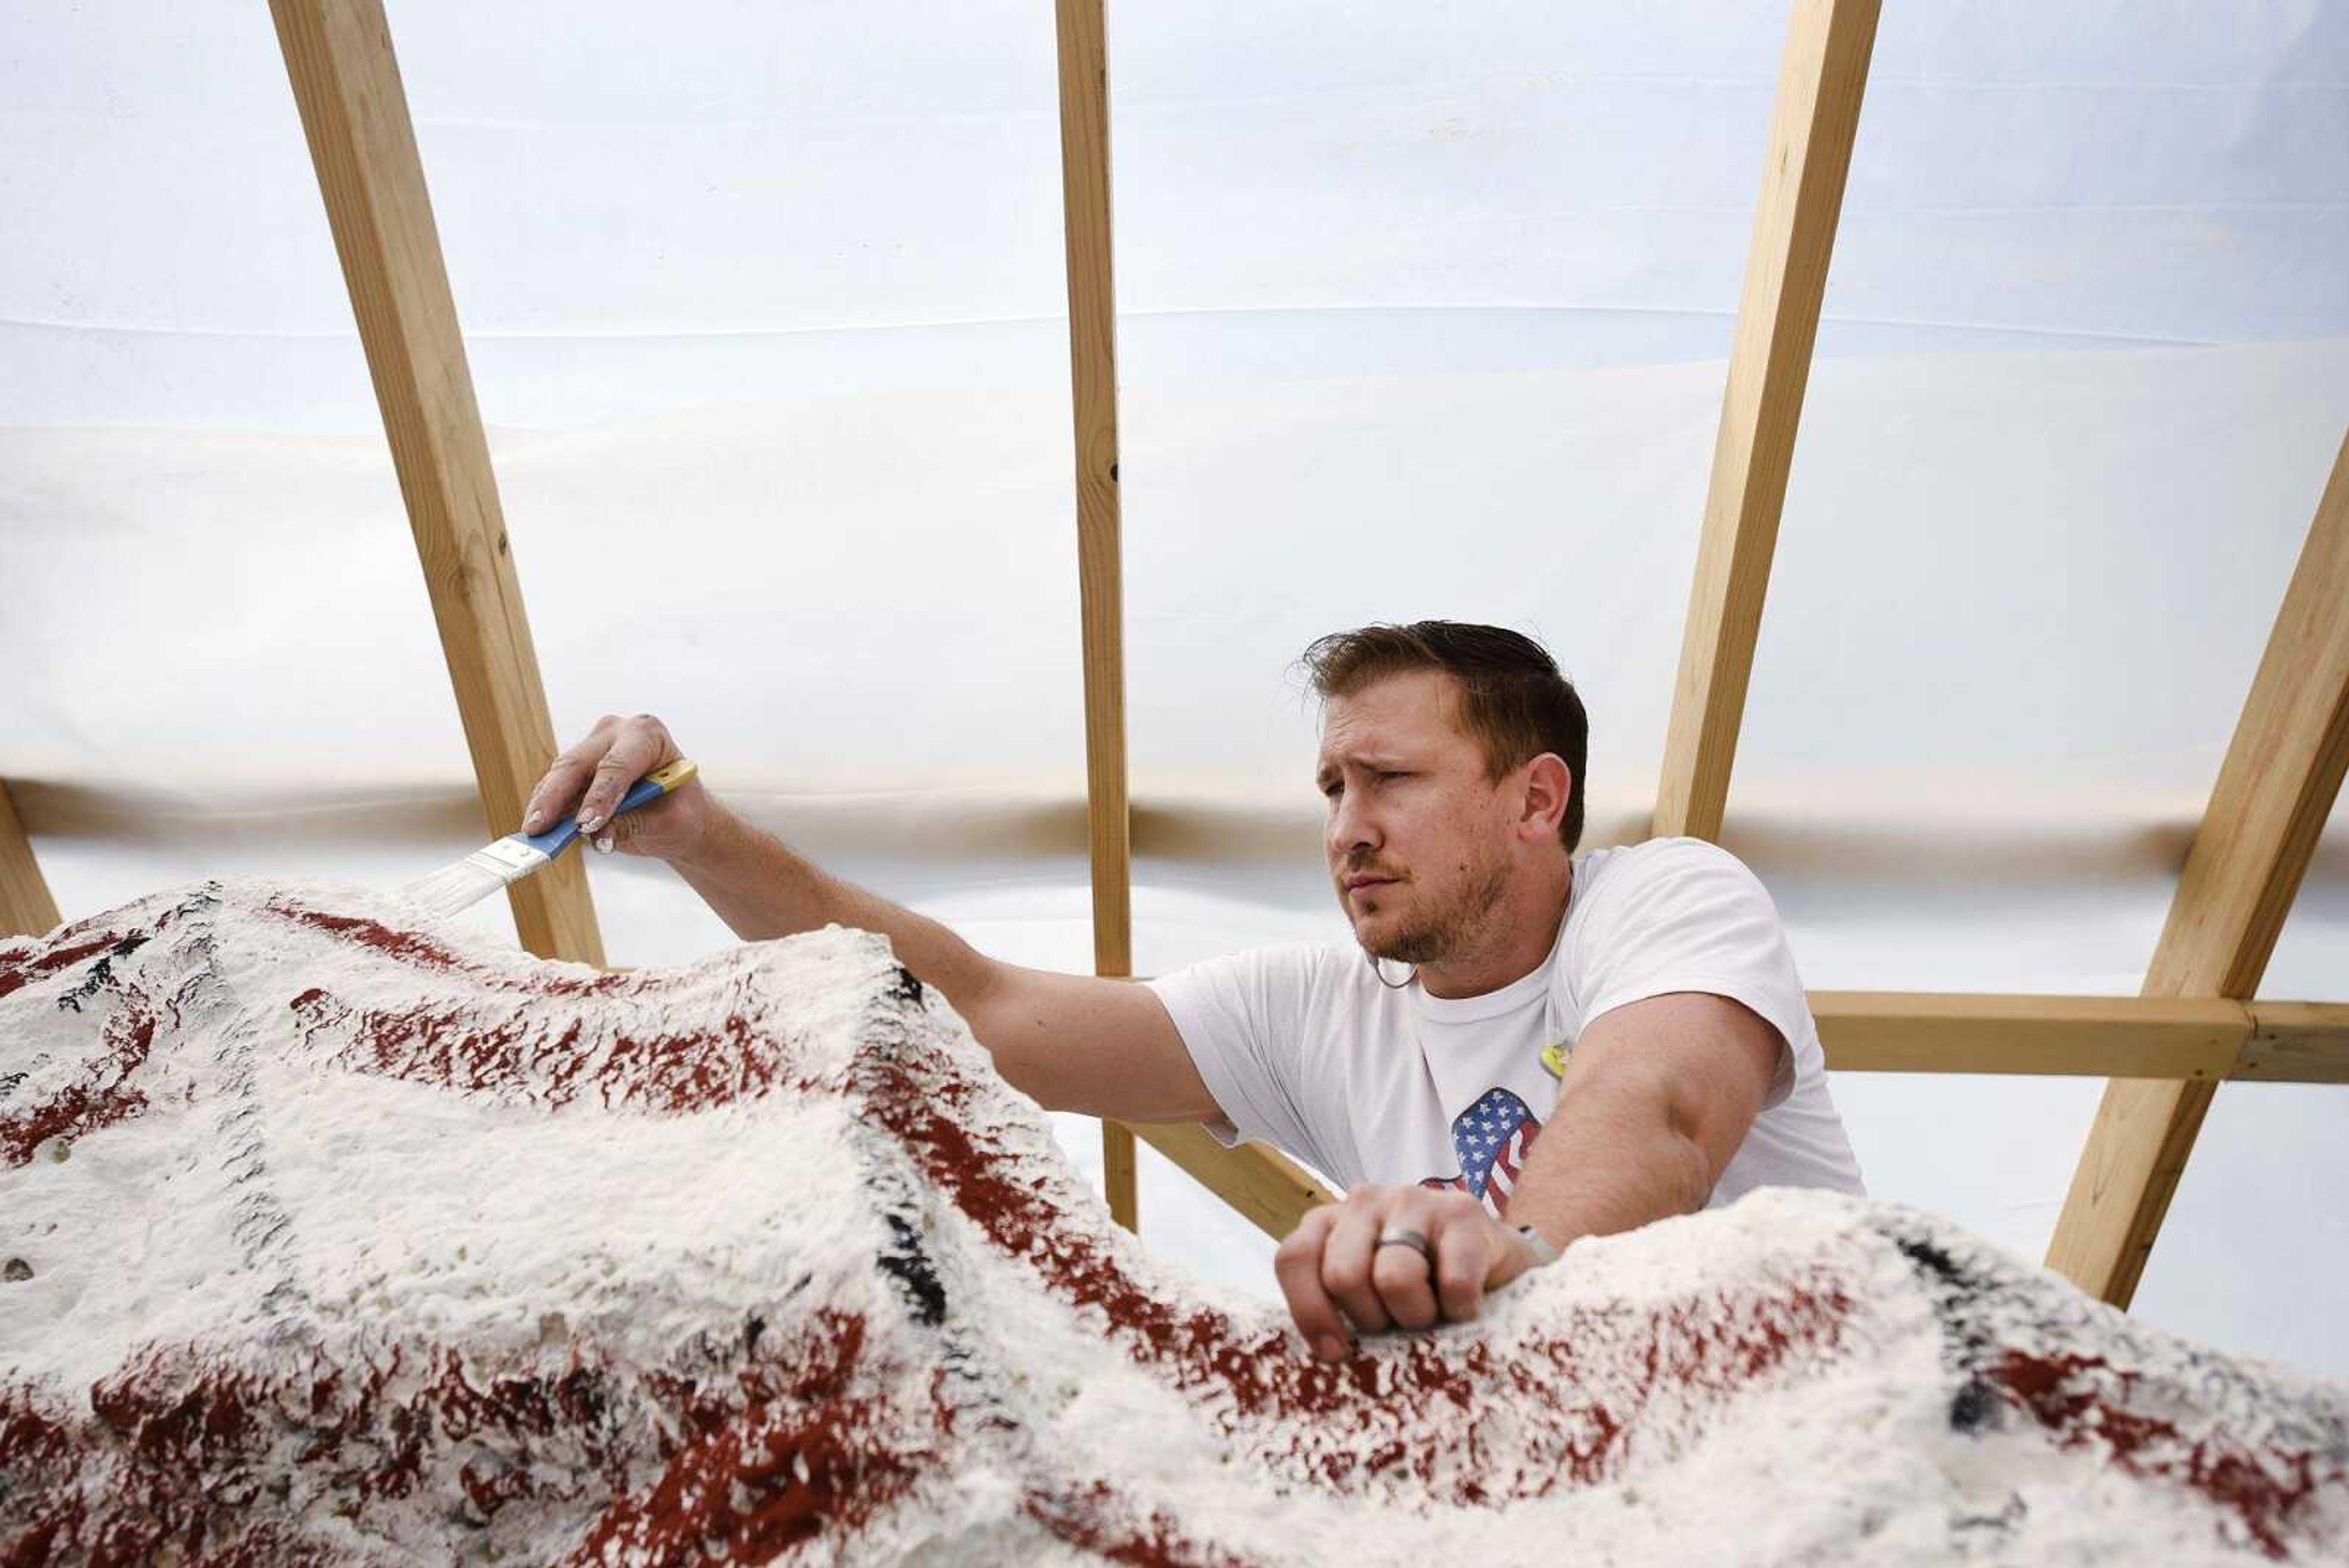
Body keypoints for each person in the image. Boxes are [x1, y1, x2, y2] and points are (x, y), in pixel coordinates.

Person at [522, 621, 1864, 1363]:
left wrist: (1516, 1267)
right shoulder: (1313, 1007)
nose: (1347, 825)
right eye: (1333, 787)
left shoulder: (1665, 898)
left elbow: (1663, 1104)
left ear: (1537, 798)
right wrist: (700, 835)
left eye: (1389, 778)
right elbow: (978, 1010)